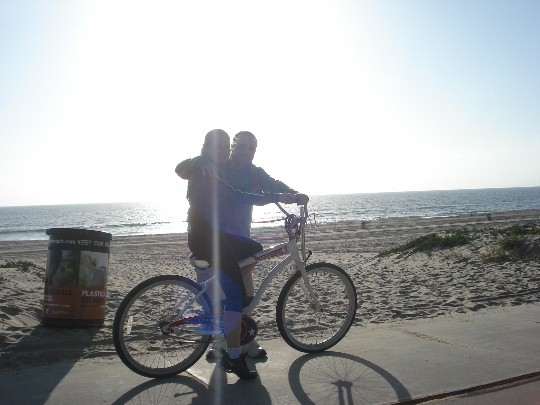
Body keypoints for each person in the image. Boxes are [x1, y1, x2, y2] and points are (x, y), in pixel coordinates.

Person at [176, 131, 305, 359]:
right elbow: (181, 169)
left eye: (251, 148)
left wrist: (293, 193)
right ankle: (220, 344)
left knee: (243, 287)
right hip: (212, 239)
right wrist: (199, 159)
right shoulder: (218, 164)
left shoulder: (254, 172)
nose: (246, 152)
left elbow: (272, 184)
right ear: (233, 147)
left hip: (238, 237)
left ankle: (245, 339)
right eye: (241, 146)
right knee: (217, 291)